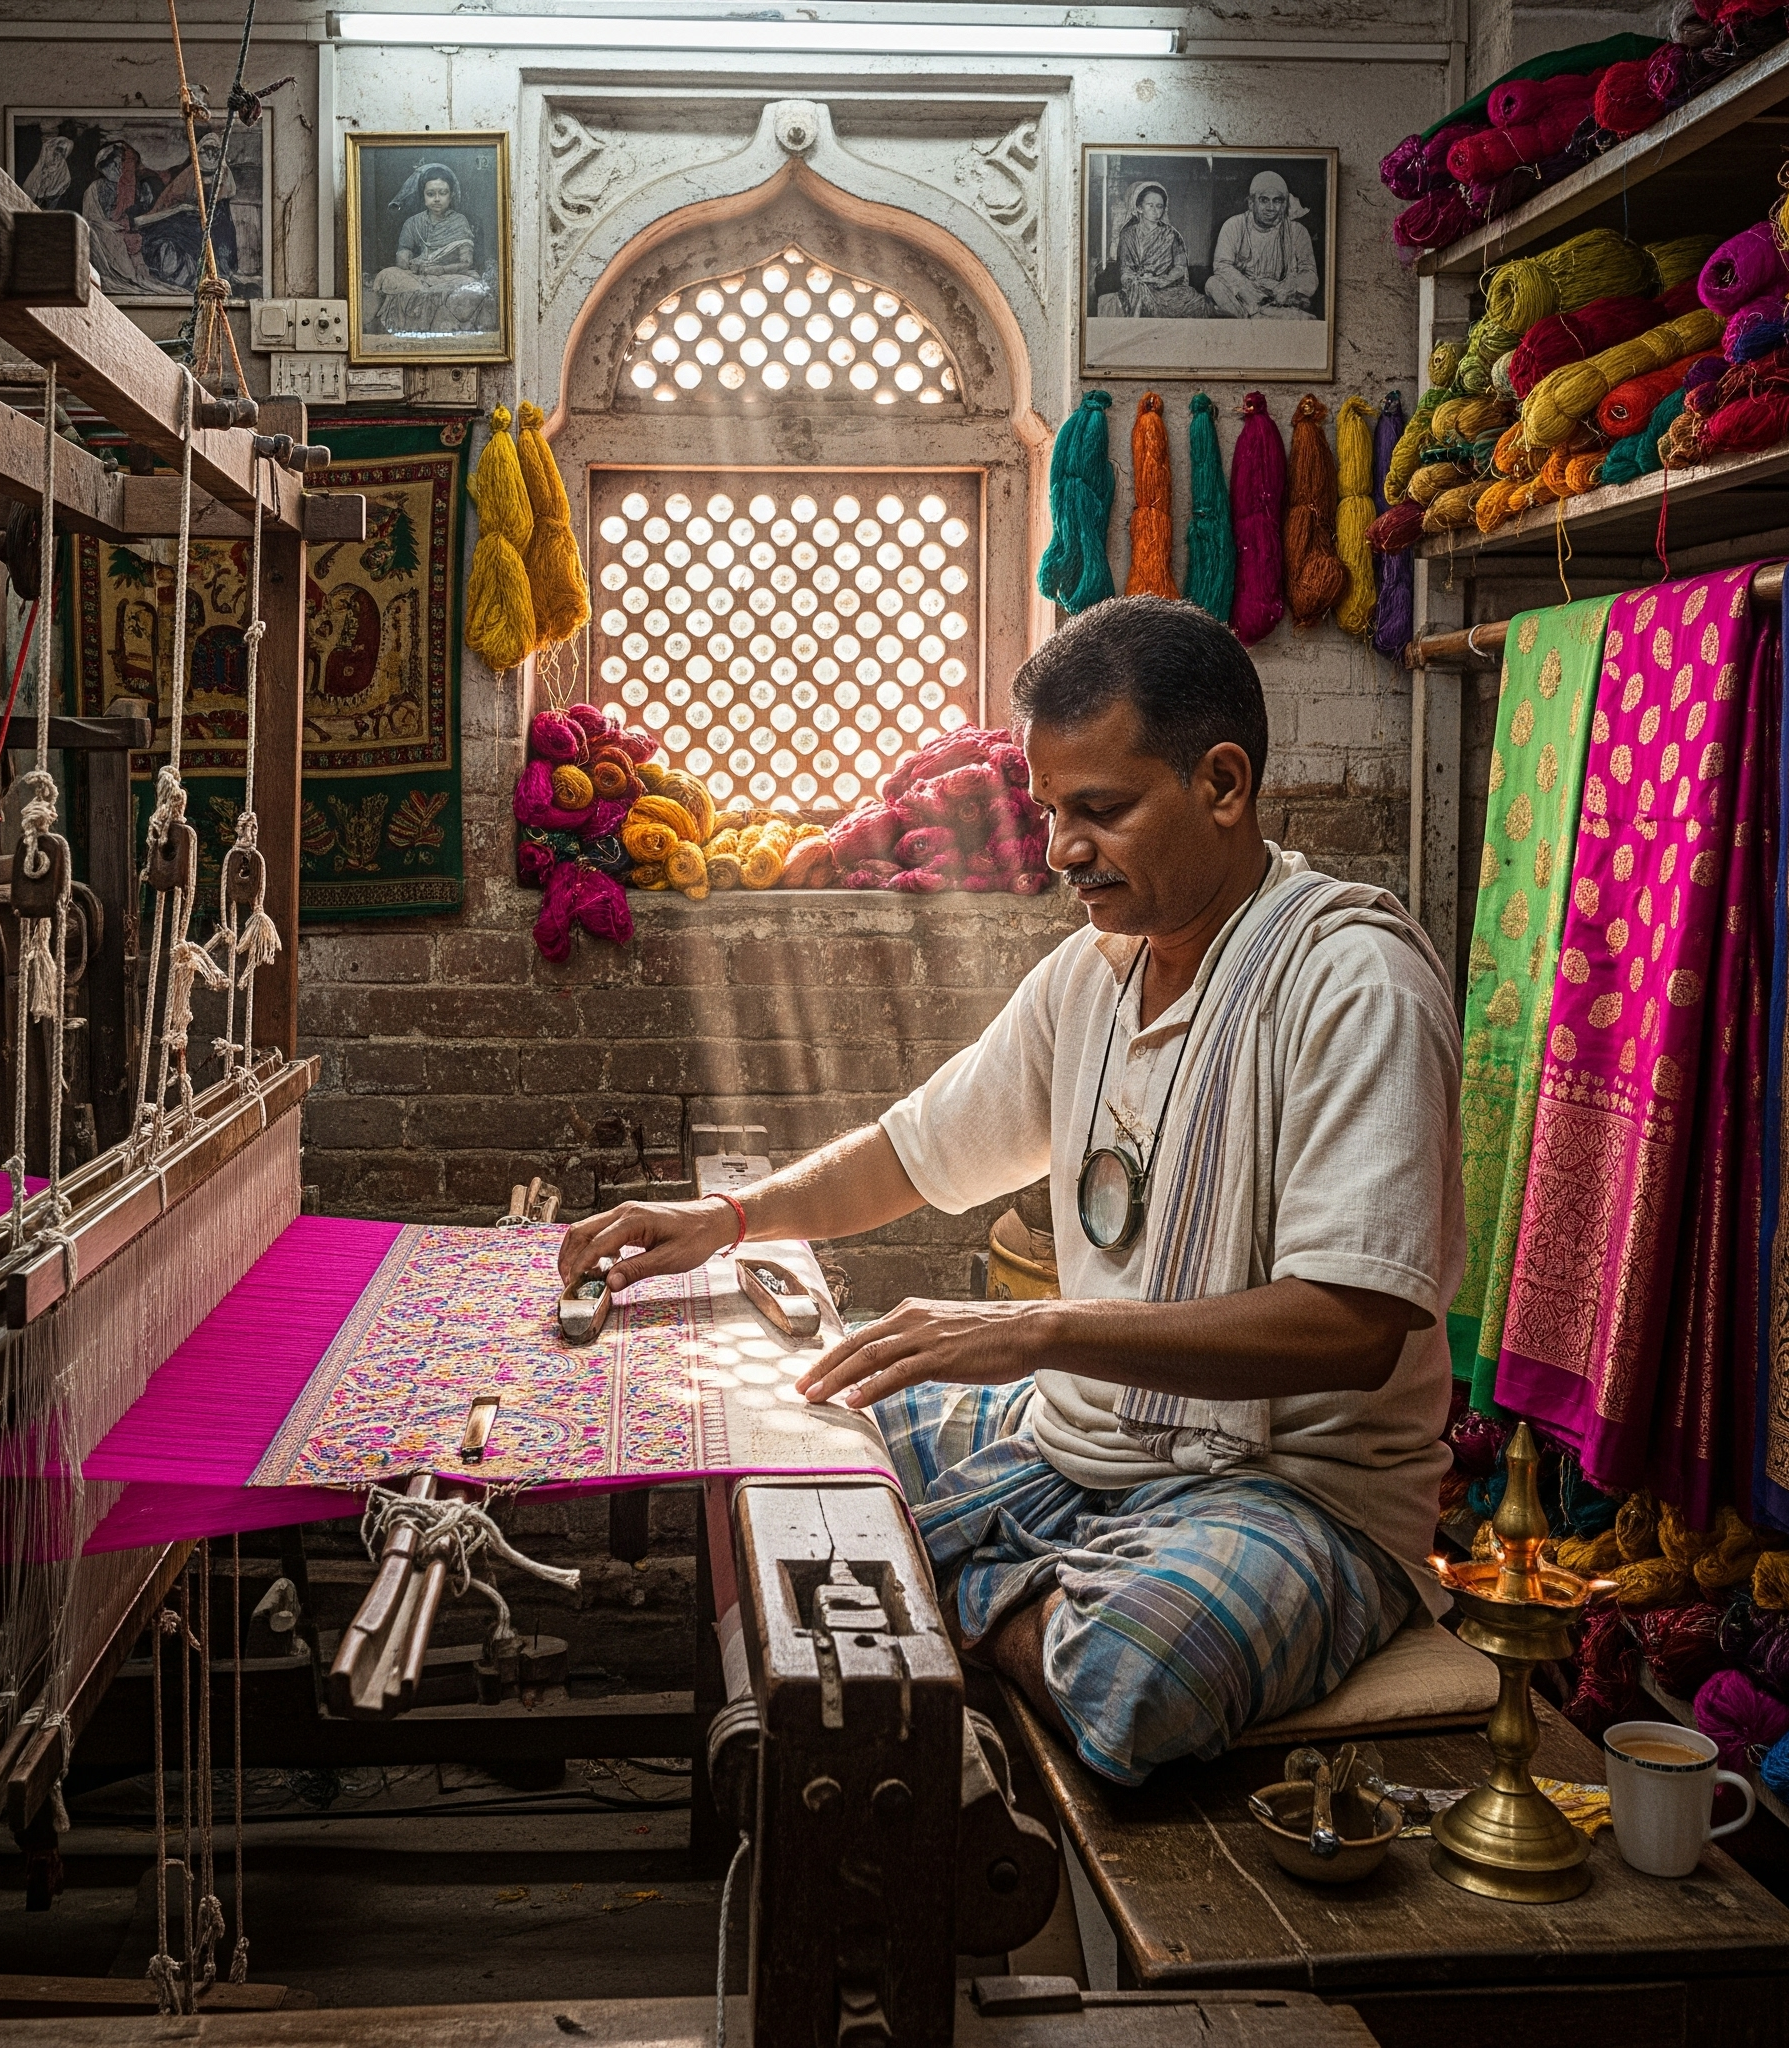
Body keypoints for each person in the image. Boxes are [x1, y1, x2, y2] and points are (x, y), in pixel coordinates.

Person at [559, 597, 1463, 1786]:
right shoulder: (1091, 975)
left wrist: (1029, 1330)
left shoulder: (1352, 984)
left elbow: (1352, 1325)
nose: (1062, 850)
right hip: (1080, 1432)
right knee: (778, 1447)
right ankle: (987, 1594)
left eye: (1102, 810)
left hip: (1295, 1494)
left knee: (1138, 1671)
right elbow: (910, 1149)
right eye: (1049, 812)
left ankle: (960, 1596)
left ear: (1223, 783)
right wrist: (726, 1218)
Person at [368, 162, 492, 337]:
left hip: (450, 276)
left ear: (451, 195)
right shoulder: (413, 222)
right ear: (423, 196)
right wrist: (410, 264)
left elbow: (466, 263)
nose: (437, 199)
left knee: (469, 286)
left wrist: (440, 269)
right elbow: (403, 255)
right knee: (388, 274)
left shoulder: (459, 222)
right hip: (418, 276)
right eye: (431, 194)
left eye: (443, 193)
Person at [1208, 170, 1319, 320]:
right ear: (1251, 203)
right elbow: (1221, 265)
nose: (1270, 207)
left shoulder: (1297, 231)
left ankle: (1258, 316)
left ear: (1284, 204)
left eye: (1277, 201)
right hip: (1244, 294)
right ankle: (1260, 316)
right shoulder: (1233, 225)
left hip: (1280, 297)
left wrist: (1290, 288)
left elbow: (1310, 273)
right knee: (1213, 284)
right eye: (1264, 200)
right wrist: (1247, 289)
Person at [1095, 182, 1212, 319]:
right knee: (1139, 293)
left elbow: (1180, 267)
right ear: (1139, 208)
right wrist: (1135, 280)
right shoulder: (1128, 235)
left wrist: (1165, 279)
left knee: (1197, 302)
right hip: (1138, 286)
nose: (1155, 210)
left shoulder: (1172, 235)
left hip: (1166, 288)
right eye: (1150, 205)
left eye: (1159, 206)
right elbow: (1125, 269)